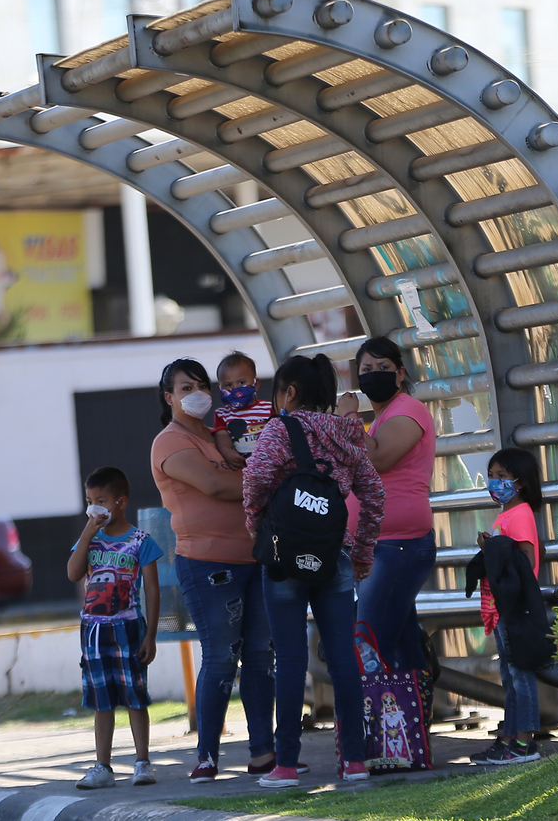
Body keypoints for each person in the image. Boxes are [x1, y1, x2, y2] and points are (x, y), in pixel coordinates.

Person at [242, 354, 385, 788]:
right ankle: (355, 762)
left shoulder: (279, 430)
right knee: (342, 657)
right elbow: (374, 495)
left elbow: (254, 483)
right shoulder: (347, 436)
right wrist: (361, 553)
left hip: (284, 560)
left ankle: (285, 765)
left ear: (288, 393)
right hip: (335, 559)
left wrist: (260, 531)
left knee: (289, 660)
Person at [149, 358, 277, 784]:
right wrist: (272, 478)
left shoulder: (225, 432)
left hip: (257, 559)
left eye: (202, 385)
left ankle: (264, 754)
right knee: (222, 658)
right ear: (170, 398)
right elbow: (218, 486)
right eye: (186, 388)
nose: (196, 393)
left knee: (260, 656)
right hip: (208, 565)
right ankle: (206, 757)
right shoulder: (169, 442)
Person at [338, 336, 437, 673]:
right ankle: (410, 722)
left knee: (369, 641)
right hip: (376, 547)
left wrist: (350, 415)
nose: (374, 374)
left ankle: (378, 720)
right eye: (366, 369)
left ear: (400, 373)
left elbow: (377, 457)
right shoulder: (380, 419)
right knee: (402, 644)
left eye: (383, 368)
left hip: (398, 546)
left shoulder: (409, 409)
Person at [67, 467, 163, 789]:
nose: (94, 507)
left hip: (128, 628)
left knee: (135, 696)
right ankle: (103, 767)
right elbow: (73, 573)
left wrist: (150, 634)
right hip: (93, 632)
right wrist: (86, 535)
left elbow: (152, 588)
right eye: (89, 501)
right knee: (101, 700)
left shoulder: (140, 541)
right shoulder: (90, 540)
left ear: (120, 503)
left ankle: (142, 762)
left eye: (101, 501)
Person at [469, 447, 545, 766]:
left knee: (520, 673)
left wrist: (494, 550)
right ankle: (511, 737)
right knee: (509, 673)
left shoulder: (521, 514)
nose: (495, 482)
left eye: (502, 476)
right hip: (503, 607)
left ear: (521, 482)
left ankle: (525, 742)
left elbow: (525, 561)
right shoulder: (505, 515)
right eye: (492, 476)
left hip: (515, 607)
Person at [213, 351, 275, 469]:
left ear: (256, 384)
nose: (236, 389)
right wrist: (226, 451)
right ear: (220, 389)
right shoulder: (222, 414)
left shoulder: (269, 408)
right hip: (243, 467)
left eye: (241, 383)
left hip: (271, 463)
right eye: (228, 385)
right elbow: (222, 436)